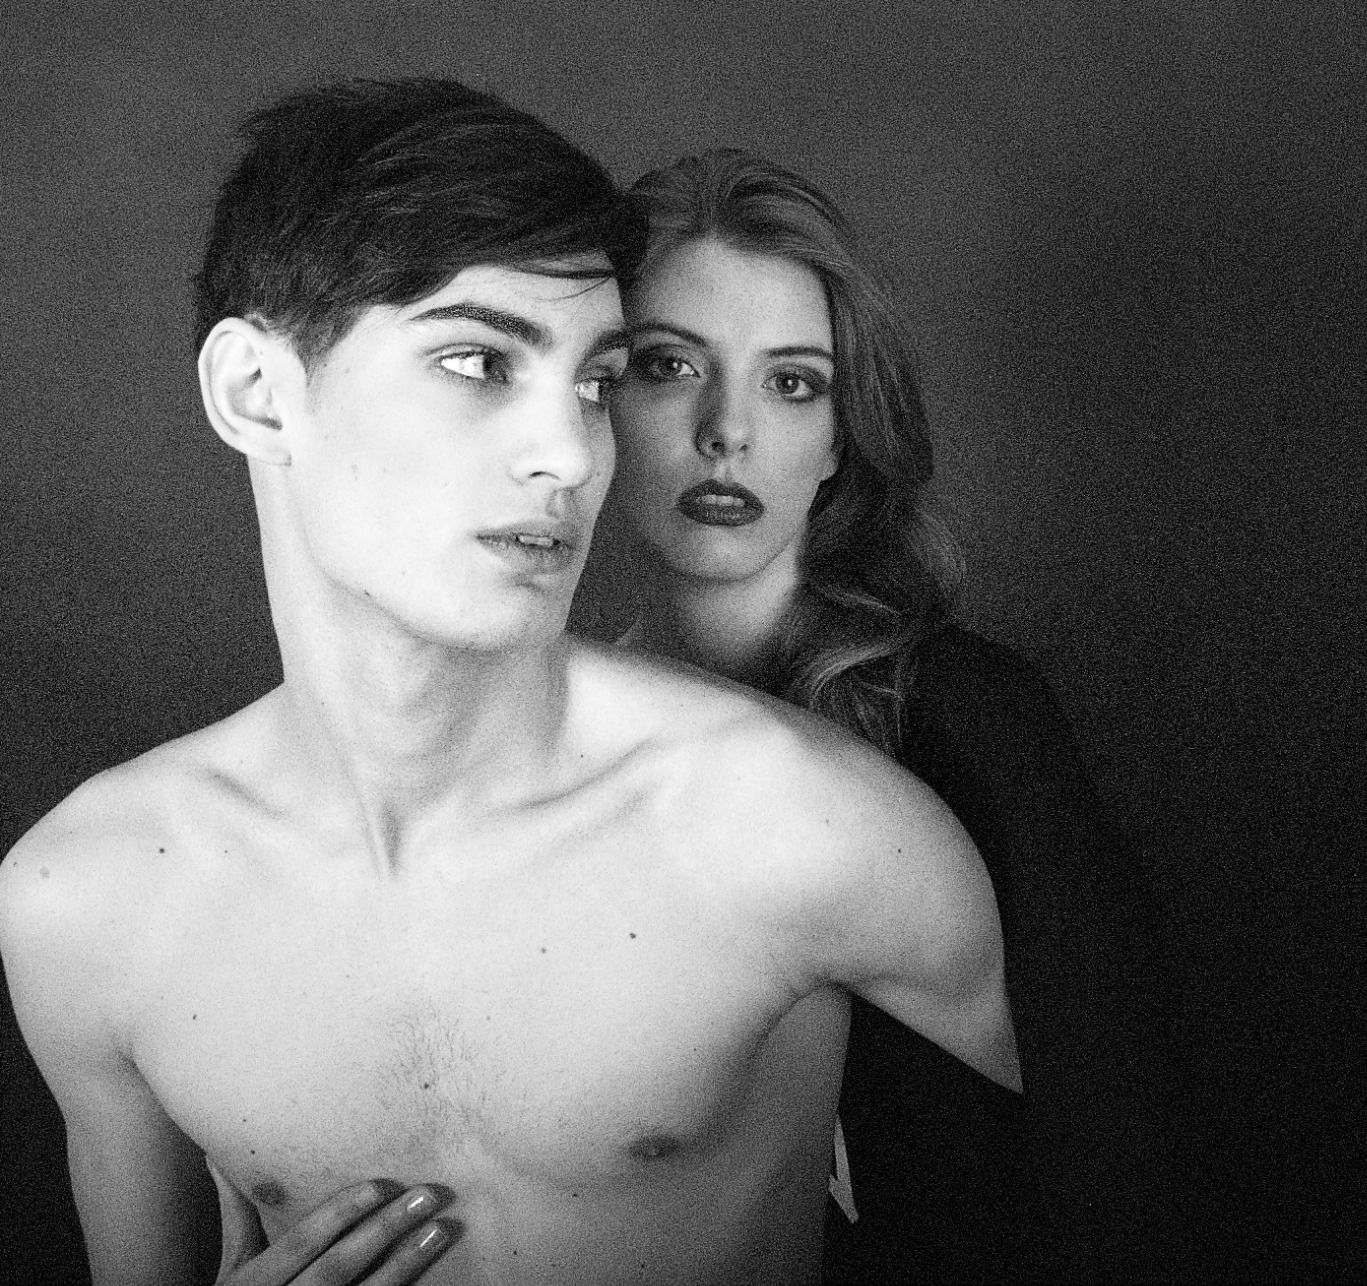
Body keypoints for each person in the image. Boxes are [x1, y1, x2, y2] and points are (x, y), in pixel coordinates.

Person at [0, 80, 1019, 1286]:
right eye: (479, 360)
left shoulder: (800, 824)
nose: (570, 452)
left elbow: (1140, 1185)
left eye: (595, 381)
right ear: (258, 394)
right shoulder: (87, 903)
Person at [612, 150, 1191, 1282]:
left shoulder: (970, 727)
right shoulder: (554, 732)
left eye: (792, 383)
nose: (728, 429)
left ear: (840, 437)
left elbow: (1125, 1174)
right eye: (670, 365)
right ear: (596, 394)